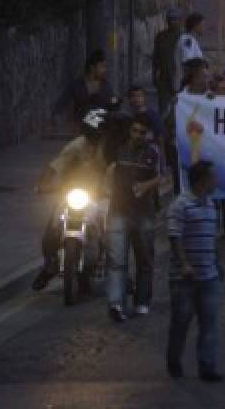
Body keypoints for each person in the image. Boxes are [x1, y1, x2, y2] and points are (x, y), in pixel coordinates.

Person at [31, 108, 109, 291]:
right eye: (92, 133)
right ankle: (50, 265)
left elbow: (116, 169)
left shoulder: (109, 148)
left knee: (112, 233)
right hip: (72, 193)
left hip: (100, 195)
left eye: (99, 134)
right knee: (51, 229)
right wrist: (42, 184)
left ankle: (118, 271)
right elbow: (55, 166)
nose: (95, 138)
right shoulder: (75, 146)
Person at [166, 160, 223, 382]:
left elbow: (212, 237)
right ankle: (174, 361)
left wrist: (217, 262)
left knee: (209, 323)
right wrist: (185, 264)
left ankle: (207, 366)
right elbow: (174, 237)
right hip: (184, 279)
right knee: (181, 322)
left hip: (209, 275)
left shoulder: (210, 205)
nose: (216, 181)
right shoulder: (180, 206)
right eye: (212, 177)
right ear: (202, 180)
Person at [105, 113, 163, 322]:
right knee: (116, 260)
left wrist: (144, 186)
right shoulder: (118, 148)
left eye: (142, 132)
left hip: (143, 212)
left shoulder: (153, 151)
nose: (138, 135)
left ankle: (142, 302)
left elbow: (160, 176)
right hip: (118, 211)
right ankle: (116, 304)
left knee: (144, 259)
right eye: (135, 131)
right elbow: (107, 170)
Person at [69, 50, 113, 131]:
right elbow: (75, 112)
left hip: (101, 129)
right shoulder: (77, 86)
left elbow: (109, 107)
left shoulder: (105, 85)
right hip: (81, 129)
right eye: (102, 66)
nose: (105, 70)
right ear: (92, 68)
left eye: (105, 67)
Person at [153, 7, 183, 110]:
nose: (172, 21)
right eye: (170, 19)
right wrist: (154, 76)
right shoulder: (160, 36)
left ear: (180, 20)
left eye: (175, 19)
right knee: (164, 107)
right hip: (164, 78)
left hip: (179, 78)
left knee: (179, 108)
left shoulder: (184, 37)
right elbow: (155, 58)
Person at [175, 14, 205, 82]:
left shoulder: (191, 40)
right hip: (188, 82)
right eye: (202, 25)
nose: (204, 27)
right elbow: (188, 62)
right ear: (195, 26)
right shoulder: (187, 40)